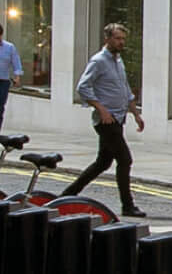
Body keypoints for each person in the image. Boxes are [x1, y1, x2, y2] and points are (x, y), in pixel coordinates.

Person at [61, 23, 146, 218]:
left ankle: (67, 195)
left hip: (118, 117)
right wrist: (101, 109)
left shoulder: (117, 61)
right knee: (125, 159)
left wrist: (135, 113)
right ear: (107, 39)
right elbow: (83, 87)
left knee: (102, 163)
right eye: (117, 38)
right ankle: (127, 205)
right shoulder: (98, 61)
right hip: (106, 121)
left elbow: (125, 89)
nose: (121, 42)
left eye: (123, 39)